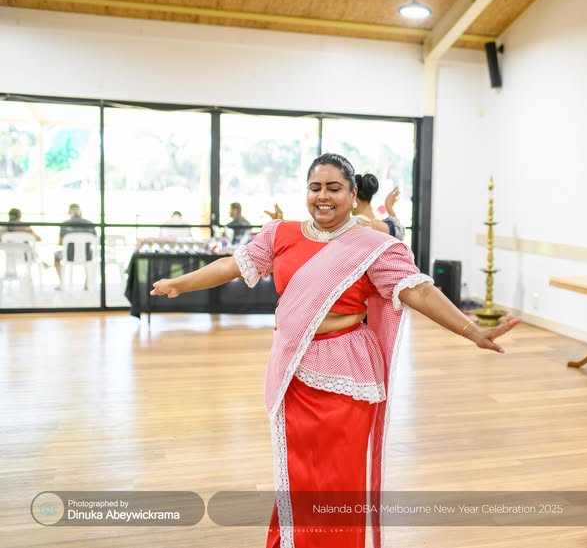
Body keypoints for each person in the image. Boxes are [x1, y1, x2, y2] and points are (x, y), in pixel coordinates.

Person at [150, 153, 520, 548]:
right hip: (294, 367)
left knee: (338, 478)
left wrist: (472, 330)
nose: (323, 197)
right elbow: (231, 266)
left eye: (333, 188)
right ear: (306, 192)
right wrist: (180, 284)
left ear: (352, 192)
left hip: (346, 372)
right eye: (315, 188)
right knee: (299, 472)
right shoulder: (281, 234)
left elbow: (420, 291)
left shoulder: (374, 245)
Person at [54, 203, 97, 289]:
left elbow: (61, 243)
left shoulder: (65, 224)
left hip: (69, 256)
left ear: (69, 212)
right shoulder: (89, 223)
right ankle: (87, 283)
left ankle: (61, 282)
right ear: (80, 211)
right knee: (90, 254)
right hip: (87, 255)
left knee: (56, 256)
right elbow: (95, 241)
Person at [352, 173, 405, 240]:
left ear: (354, 195)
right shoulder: (388, 226)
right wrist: (389, 206)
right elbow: (399, 234)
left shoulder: (354, 224)